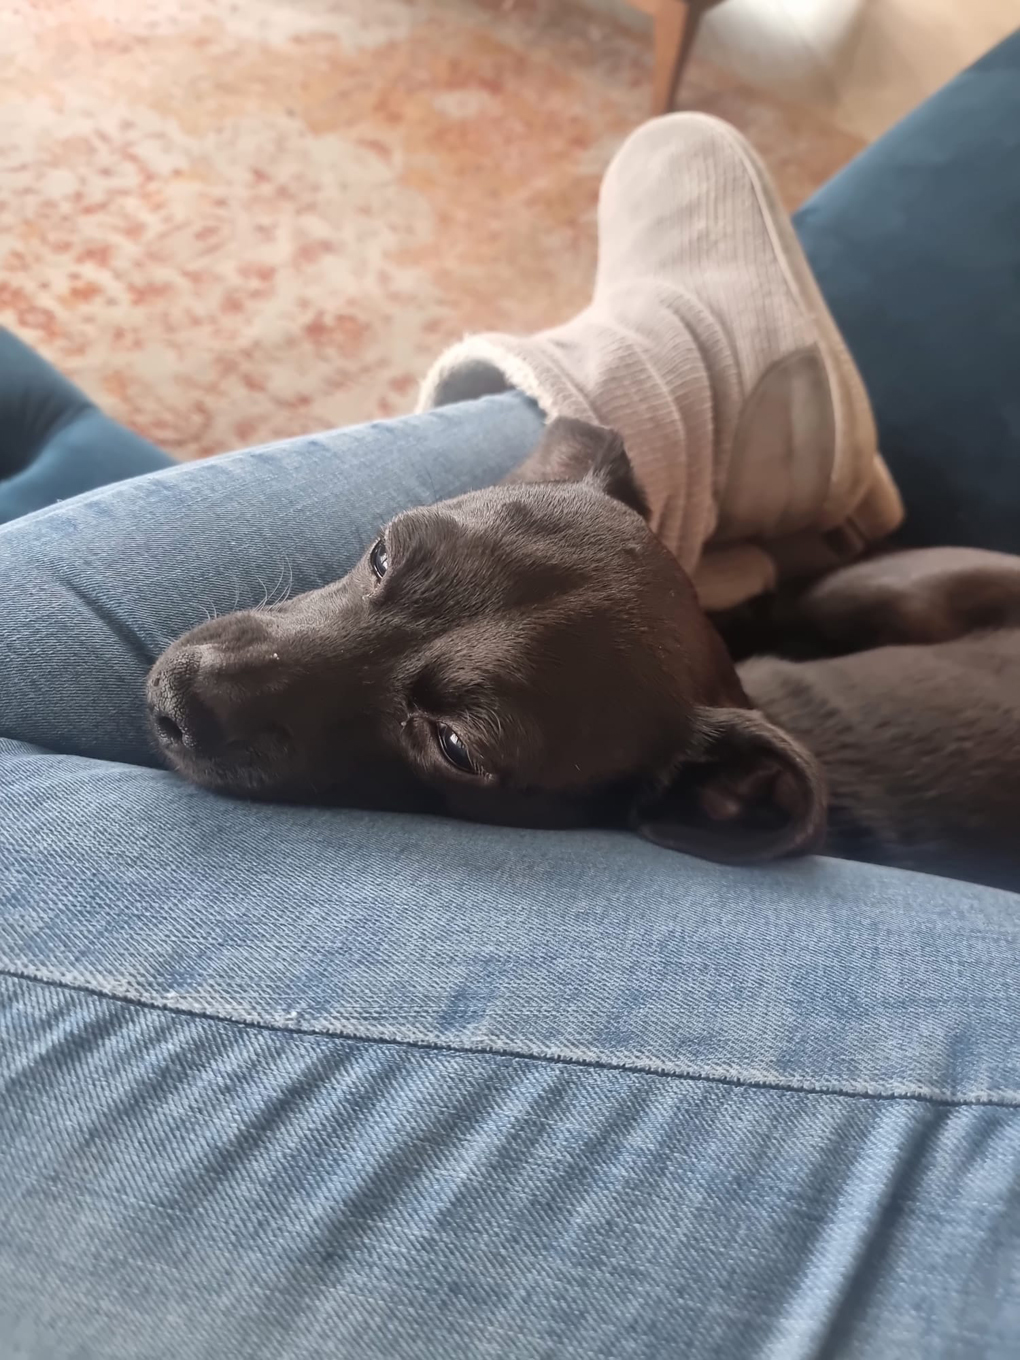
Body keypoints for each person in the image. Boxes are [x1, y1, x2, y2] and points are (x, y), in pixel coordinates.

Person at [2, 114, 1018, 1359]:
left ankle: (686, 412)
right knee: (865, 603)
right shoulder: (594, 695)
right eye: (387, 558)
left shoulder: (710, 789)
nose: (212, 675)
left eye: (459, 741)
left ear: (717, 800)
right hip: (967, 625)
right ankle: (685, 426)